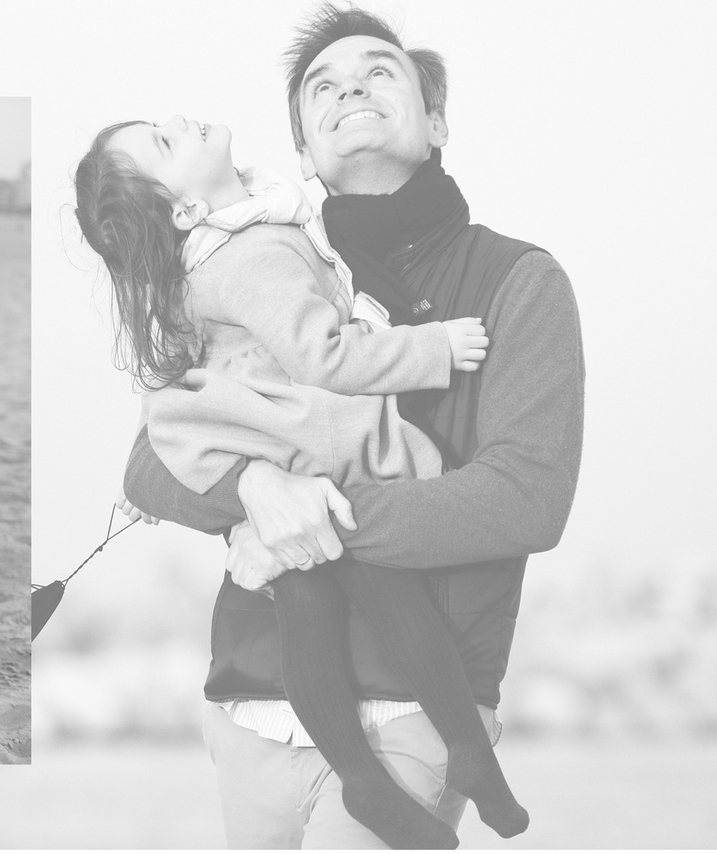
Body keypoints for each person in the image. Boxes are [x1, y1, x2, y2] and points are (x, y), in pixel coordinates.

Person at [120, 6, 583, 849]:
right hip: (251, 706)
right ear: (303, 150)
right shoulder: (268, 264)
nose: (350, 90)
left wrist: (311, 515)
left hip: (422, 704)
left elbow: (526, 500)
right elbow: (151, 462)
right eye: (321, 88)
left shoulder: (519, 279)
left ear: (436, 119)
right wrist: (256, 488)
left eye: (379, 72)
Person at [71, 113, 523, 848]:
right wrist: (431, 349)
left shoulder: (256, 222)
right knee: (379, 582)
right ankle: (454, 757)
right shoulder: (250, 254)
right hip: (293, 435)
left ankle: (389, 777)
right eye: (164, 142)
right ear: (185, 211)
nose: (180, 123)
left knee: (312, 600)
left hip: (275, 437)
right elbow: (323, 355)